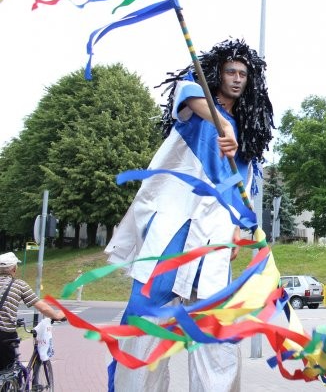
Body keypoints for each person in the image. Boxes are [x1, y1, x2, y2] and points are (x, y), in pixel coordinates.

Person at [104, 39, 274, 392]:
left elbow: (242, 194)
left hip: (213, 244)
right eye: (230, 71)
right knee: (147, 318)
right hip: (174, 229)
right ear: (217, 74)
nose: (237, 78)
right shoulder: (196, 111)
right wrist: (222, 124)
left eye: (243, 74)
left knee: (215, 330)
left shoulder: (247, 142)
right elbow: (185, 88)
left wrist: (239, 233)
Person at [0, 252, 65, 370]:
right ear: (14, 269)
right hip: (5, 334)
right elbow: (42, 307)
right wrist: (56, 316)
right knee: (7, 369)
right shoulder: (19, 285)